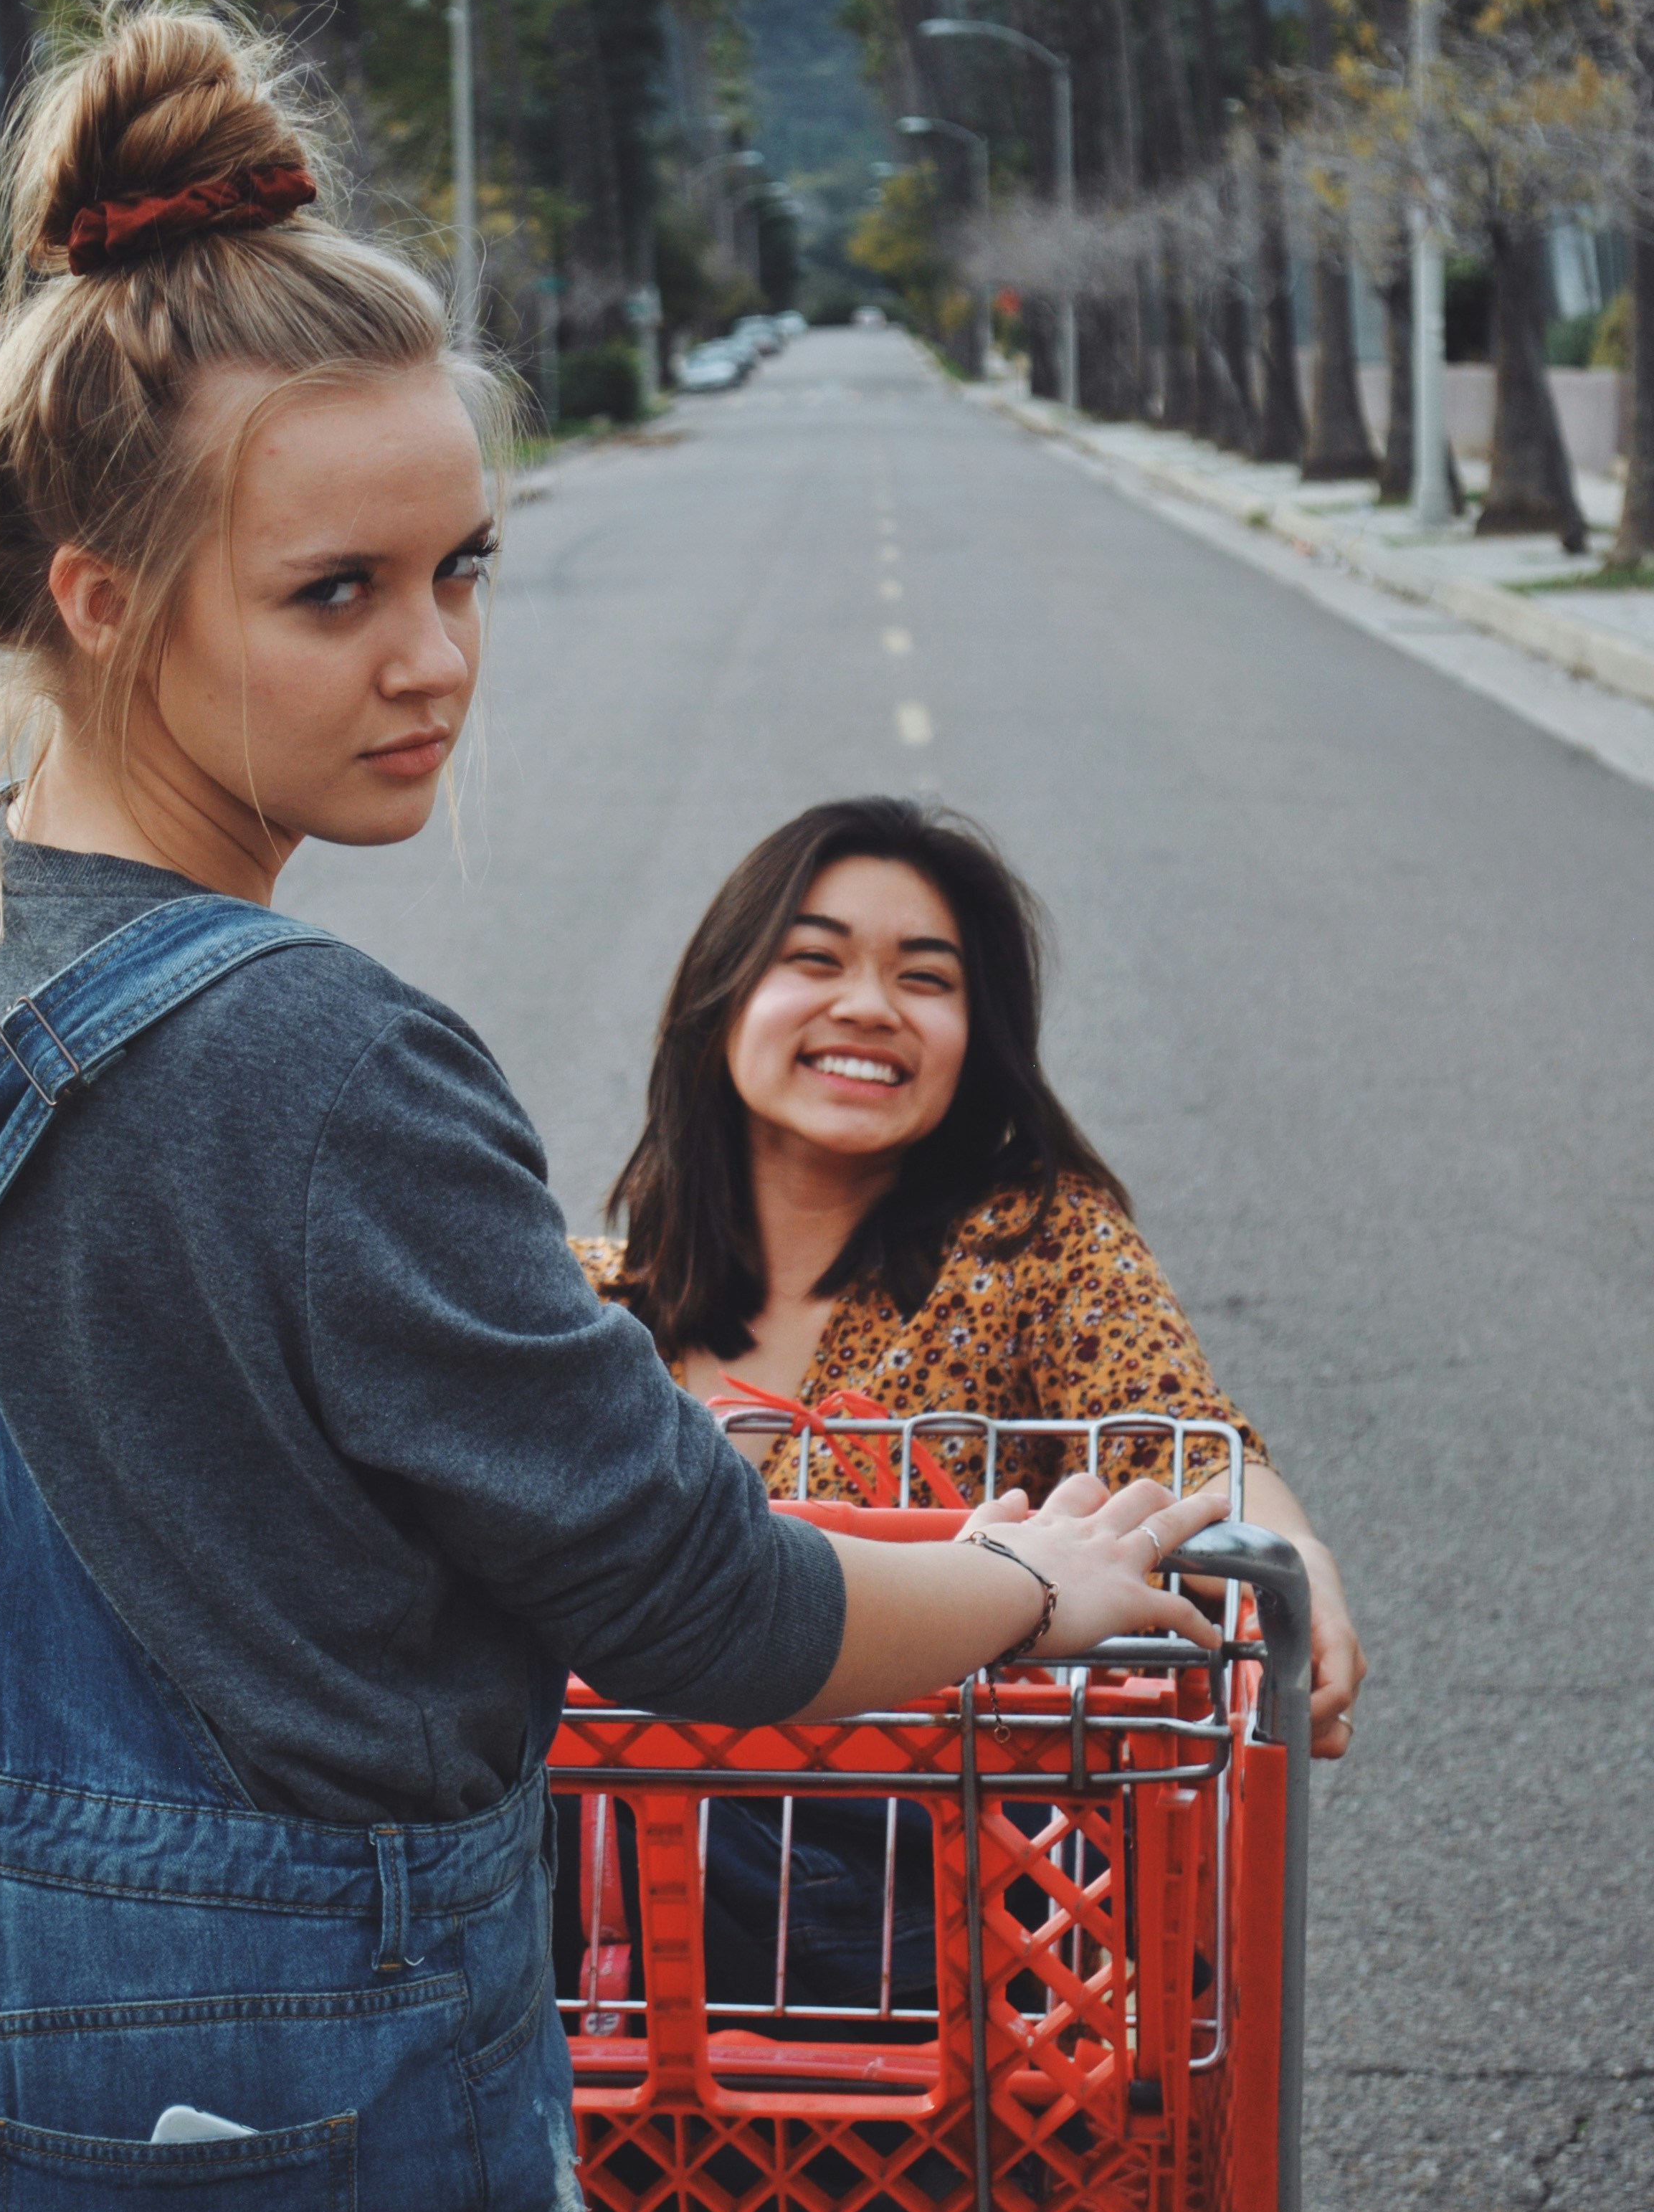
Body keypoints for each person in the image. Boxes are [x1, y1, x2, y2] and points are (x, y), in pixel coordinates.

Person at [0, 6, 1225, 2212]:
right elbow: (700, 1601)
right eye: (334, 595)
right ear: (101, 598)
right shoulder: (324, 1061)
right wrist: (1039, 1586)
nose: (436, 658)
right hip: (266, 2099)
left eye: (463, 569)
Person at [569, 798, 1365, 2016]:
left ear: (974, 1036)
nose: (871, 1007)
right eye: (817, 959)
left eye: (924, 980)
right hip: (616, 1950)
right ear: (724, 998)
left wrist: (1298, 1565)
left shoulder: (1032, 1253)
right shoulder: (581, 1307)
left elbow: (1178, 1436)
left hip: (933, 1918)